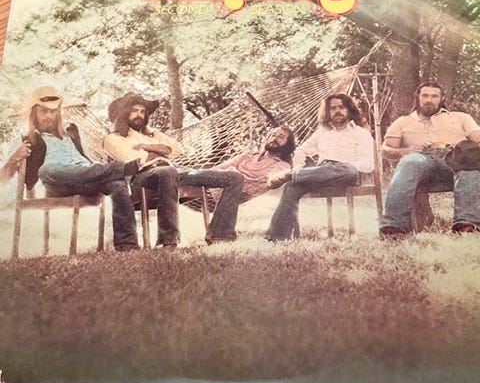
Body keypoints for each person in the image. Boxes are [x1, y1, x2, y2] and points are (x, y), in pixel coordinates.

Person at [103, 92, 296, 246]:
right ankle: (168, 240)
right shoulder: (113, 139)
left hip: (176, 171)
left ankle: (220, 235)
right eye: (134, 111)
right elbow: (134, 161)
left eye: (142, 111)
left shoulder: (154, 135)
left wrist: (148, 147)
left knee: (234, 177)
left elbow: (177, 149)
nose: (140, 115)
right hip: (142, 177)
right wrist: (160, 151)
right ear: (123, 113)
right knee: (167, 171)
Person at [20, 85, 140, 251]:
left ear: (58, 112)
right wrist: (16, 158)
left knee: (117, 185)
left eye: (53, 111)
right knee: (46, 169)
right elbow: (11, 171)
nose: (49, 116)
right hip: (58, 182)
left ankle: (128, 245)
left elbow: (86, 156)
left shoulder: (71, 130)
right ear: (34, 113)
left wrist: (95, 169)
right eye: (43, 111)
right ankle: (119, 169)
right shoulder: (26, 136)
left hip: (86, 176)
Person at [265, 93, 375, 241]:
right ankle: (276, 238)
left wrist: (347, 166)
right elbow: (301, 150)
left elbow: (368, 163)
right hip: (320, 173)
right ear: (328, 112)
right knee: (292, 186)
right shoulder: (322, 132)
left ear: (349, 109)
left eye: (341, 107)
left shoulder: (361, 133)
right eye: (333, 108)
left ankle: (292, 174)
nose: (337, 111)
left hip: (346, 174)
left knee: (348, 170)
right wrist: (298, 167)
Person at [379, 81, 480, 237]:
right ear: (417, 97)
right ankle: (394, 227)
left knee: (470, 165)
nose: (429, 100)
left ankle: (465, 224)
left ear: (442, 98)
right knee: (409, 161)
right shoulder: (402, 121)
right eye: (425, 95)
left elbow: (478, 140)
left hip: (454, 158)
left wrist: (457, 146)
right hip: (421, 160)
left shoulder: (460, 117)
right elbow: (385, 150)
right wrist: (405, 151)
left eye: (434, 96)